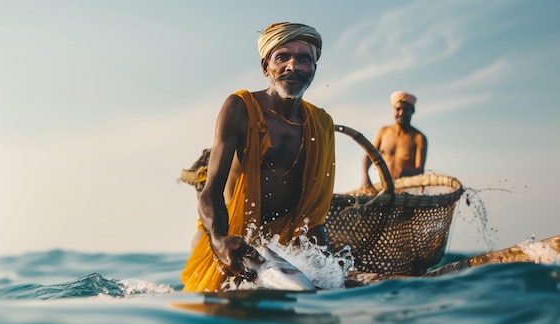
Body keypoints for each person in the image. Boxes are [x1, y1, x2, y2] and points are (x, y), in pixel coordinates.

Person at [181, 22, 336, 292]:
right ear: (266, 67)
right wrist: (219, 240)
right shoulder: (240, 107)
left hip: (280, 255)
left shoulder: (321, 123)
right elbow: (210, 192)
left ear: (313, 69)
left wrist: (331, 275)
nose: (293, 66)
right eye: (283, 57)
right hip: (230, 245)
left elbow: (314, 220)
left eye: (303, 59)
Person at [360, 91, 427, 194]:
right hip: (383, 190)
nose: (401, 113)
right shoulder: (383, 132)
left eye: (406, 110)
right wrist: (365, 178)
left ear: (412, 111)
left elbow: (420, 170)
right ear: (393, 110)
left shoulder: (419, 138)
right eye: (398, 109)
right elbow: (368, 157)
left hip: (406, 192)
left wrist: (405, 172)